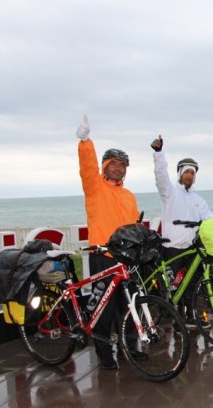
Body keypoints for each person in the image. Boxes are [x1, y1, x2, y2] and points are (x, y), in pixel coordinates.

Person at [76, 115, 140, 370]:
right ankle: (105, 355)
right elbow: (87, 169)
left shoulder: (128, 195)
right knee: (104, 308)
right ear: (105, 166)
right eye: (114, 164)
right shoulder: (95, 189)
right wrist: (85, 142)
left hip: (126, 259)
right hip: (102, 255)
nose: (119, 168)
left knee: (129, 305)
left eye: (123, 165)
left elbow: (135, 225)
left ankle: (130, 350)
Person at [151, 134, 213, 326]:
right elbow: (161, 176)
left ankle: (190, 316)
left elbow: (209, 216)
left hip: (191, 248)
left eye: (193, 173)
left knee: (192, 285)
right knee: (173, 286)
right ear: (180, 174)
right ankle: (174, 318)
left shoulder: (197, 199)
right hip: (172, 248)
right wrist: (158, 153)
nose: (190, 176)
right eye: (186, 172)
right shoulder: (169, 193)